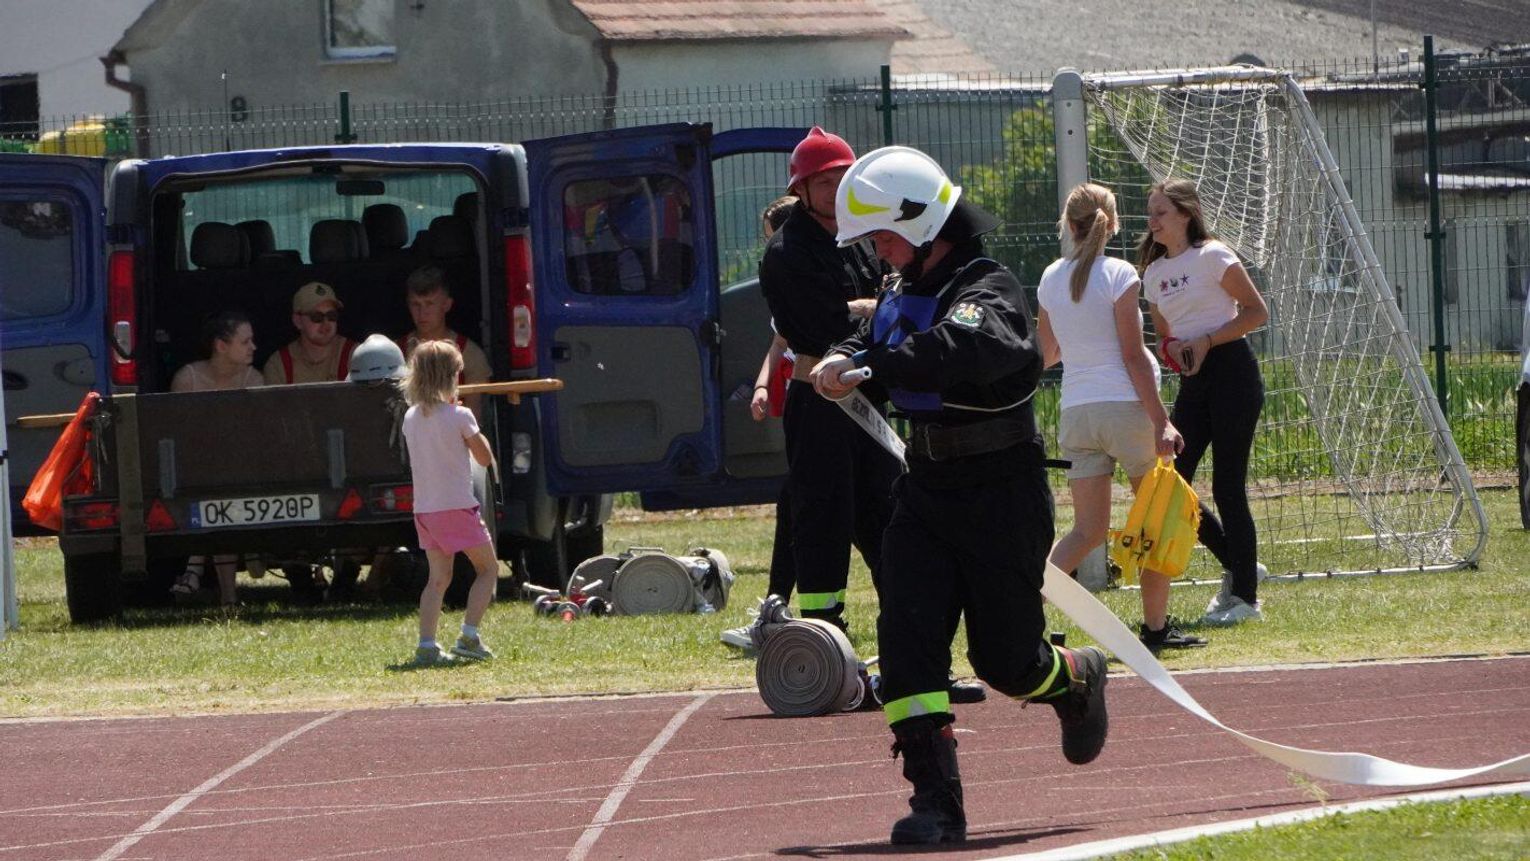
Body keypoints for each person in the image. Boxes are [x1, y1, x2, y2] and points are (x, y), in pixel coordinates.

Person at [813, 147, 1109, 846]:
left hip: (1000, 494)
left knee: (1007, 662)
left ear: (920, 224)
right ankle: (936, 803)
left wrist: (869, 364)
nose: (879, 255)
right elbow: (878, 333)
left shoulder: (989, 288)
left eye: (883, 238)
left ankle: (1073, 677)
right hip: (924, 491)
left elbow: (960, 348)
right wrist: (843, 354)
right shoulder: (903, 285)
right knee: (907, 645)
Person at [1037, 183, 1200, 652]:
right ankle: (1155, 629)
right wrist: (1162, 420)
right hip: (1125, 409)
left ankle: (1021, 615)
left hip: (1076, 412)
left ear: (1069, 225)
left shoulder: (1050, 277)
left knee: (1086, 531)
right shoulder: (1120, 273)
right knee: (1156, 521)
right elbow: (1132, 356)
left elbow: (1047, 354)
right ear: (1112, 223)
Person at [757, 127, 900, 635]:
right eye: (824, 182)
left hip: (869, 396)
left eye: (843, 179)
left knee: (888, 510)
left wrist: (870, 308)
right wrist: (873, 309)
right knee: (823, 514)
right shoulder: (786, 252)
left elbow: (889, 304)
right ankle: (822, 625)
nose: (836, 190)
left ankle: (904, 614)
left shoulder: (860, 238)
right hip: (820, 401)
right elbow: (826, 325)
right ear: (800, 189)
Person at [1140, 178, 1271, 626]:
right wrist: (1174, 349)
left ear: (1185, 214)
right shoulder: (1153, 273)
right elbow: (1164, 336)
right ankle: (1240, 565)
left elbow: (1256, 312)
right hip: (1194, 381)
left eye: (1161, 212)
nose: (1152, 220)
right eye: (1150, 212)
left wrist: (1209, 340)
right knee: (1173, 485)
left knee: (1228, 487)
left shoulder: (1214, 255)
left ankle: (1246, 600)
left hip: (1234, 373)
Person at [399, 340, 500, 666]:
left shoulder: (411, 417)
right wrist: (471, 426)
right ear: (451, 376)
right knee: (488, 569)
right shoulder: (461, 416)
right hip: (456, 506)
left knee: (438, 578)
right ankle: (469, 635)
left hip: (425, 510)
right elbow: (483, 458)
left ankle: (427, 644)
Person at [169, 310, 264, 605]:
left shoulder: (254, 380)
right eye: (245, 342)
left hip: (242, 472)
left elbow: (257, 435)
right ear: (221, 346)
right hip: (196, 472)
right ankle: (227, 594)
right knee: (217, 498)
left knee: (222, 498)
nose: (253, 347)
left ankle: (196, 570)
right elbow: (178, 436)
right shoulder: (188, 379)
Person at [397, 265, 492, 415]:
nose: (422, 312)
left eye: (429, 303)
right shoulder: (396, 352)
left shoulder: (470, 354)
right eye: (416, 304)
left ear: (446, 305)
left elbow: (475, 415)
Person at [262, 282, 359, 385]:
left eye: (331, 315)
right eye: (317, 317)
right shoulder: (279, 365)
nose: (326, 323)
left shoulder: (356, 356)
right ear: (298, 321)